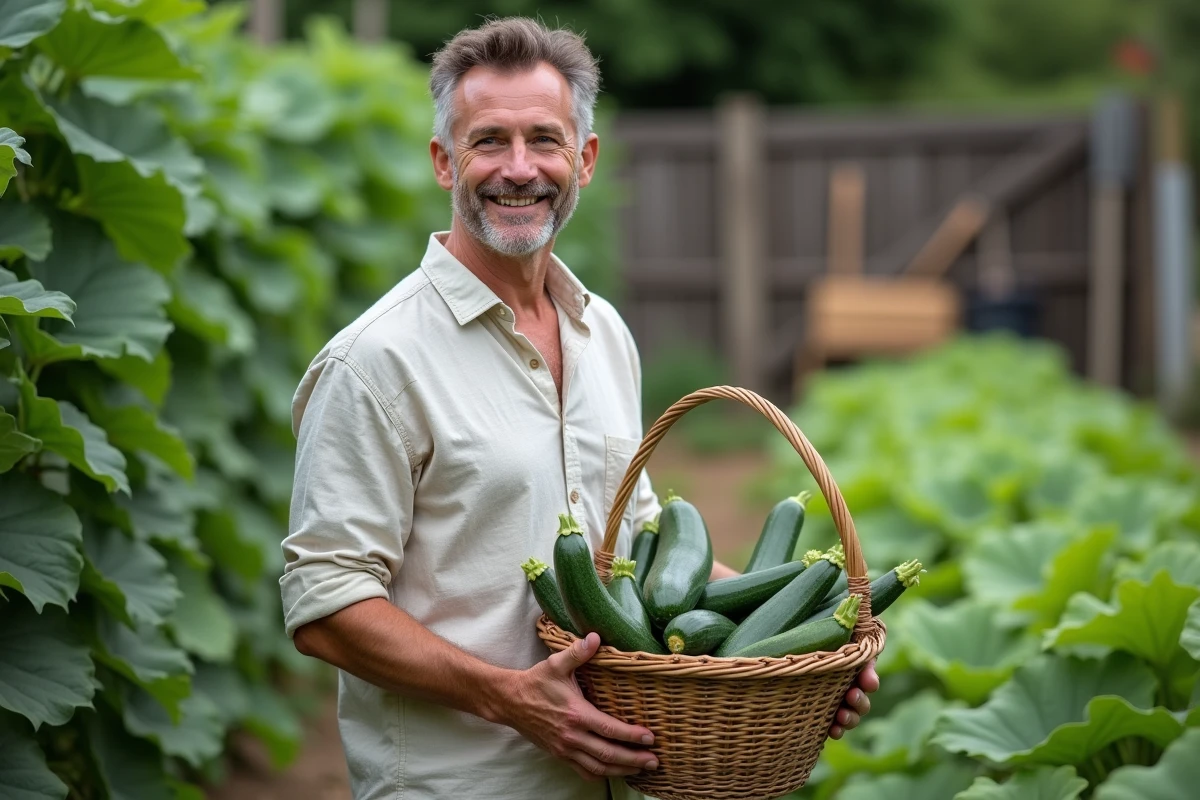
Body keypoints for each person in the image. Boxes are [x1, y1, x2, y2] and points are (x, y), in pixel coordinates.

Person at [280, 16, 878, 800]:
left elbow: (637, 540)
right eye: (489, 140)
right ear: (442, 160)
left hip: (617, 773)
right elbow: (326, 604)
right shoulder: (376, 362)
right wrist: (509, 695)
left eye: (545, 140)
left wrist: (787, 649)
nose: (519, 168)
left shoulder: (605, 336)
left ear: (585, 159)